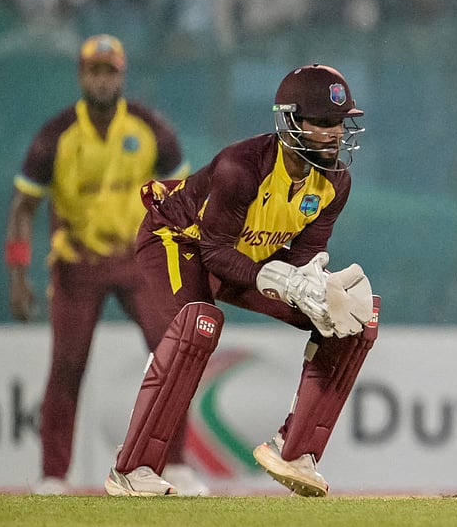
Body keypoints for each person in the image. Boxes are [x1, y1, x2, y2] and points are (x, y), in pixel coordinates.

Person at [104, 63, 378, 497]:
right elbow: (214, 252)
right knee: (199, 324)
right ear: (290, 122)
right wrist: (279, 280)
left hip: (246, 254)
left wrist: (312, 288)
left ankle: (294, 451)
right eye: (323, 122)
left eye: (340, 123)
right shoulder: (242, 167)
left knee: (354, 319)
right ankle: (132, 468)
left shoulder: (335, 184)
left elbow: (303, 258)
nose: (335, 134)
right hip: (180, 239)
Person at [4, 34, 203, 495]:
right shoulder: (57, 135)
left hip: (140, 260)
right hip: (78, 262)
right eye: (93, 71)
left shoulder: (149, 127)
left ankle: (175, 465)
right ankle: (53, 476)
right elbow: (22, 208)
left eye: (109, 72)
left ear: (121, 76)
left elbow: (184, 197)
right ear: (81, 76)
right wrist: (18, 276)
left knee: (173, 356)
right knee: (67, 365)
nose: (101, 80)